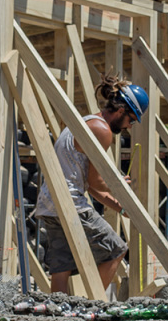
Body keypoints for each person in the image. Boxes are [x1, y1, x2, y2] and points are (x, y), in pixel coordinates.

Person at [35, 74, 148, 294]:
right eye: (131, 120)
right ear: (121, 110)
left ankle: (59, 317)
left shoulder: (85, 121)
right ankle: (90, 305)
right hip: (70, 204)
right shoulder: (102, 131)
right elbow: (97, 181)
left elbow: (90, 186)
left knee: (61, 269)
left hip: (50, 204)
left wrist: (120, 207)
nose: (129, 127)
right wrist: (119, 184)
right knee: (116, 249)